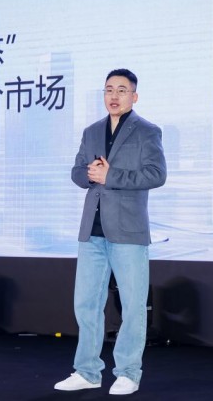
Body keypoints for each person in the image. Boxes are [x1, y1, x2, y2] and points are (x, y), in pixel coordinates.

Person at [55, 68, 167, 396]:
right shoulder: (91, 132)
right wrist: (89, 174)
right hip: (92, 229)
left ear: (134, 96)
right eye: (109, 90)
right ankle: (87, 371)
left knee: (132, 306)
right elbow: (77, 172)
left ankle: (128, 372)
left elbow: (156, 174)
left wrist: (111, 176)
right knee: (86, 304)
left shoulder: (147, 131)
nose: (114, 96)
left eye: (121, 90)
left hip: (128, 230)